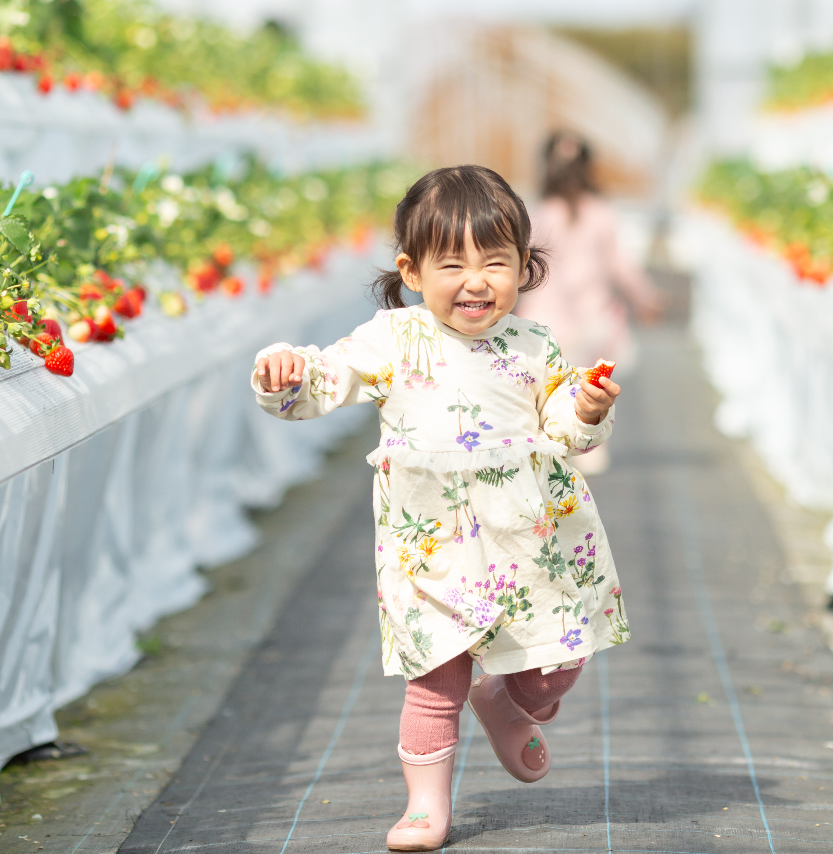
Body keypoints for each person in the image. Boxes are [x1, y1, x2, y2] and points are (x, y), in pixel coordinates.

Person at [252, 165, 631, 851]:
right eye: (452, 263)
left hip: (527, 540)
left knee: (559, 661)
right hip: (431, 545)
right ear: (413, 270)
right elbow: (326, 380)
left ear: (525, 267)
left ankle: (510, 700)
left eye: (496, 261)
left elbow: (564, 433)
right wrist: (288, 372)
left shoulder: (533, 346)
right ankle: (427, 806)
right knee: (435, 681)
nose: (476, 280)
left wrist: (585, 407)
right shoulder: (393, 340)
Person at [519, 132, 662, 474]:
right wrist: (647, 297)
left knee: (546, 387)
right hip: (593, 316)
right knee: (591, 387)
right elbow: (620, 263)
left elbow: (523, 265)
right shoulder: (600, 212)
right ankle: (590, 446)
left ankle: (549, 444)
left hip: (545, 316)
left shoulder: (538, 213)